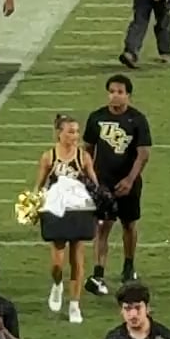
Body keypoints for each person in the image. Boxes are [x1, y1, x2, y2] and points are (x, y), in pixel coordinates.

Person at [84, 76, 152, 297]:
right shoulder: (96, 117)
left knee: (129, 225)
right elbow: (87, 150)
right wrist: (91, 180)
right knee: (102, 226)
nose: (115, 95)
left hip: (128, 182)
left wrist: (130, 180)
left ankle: (129, 266)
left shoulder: (137, 119)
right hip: (103, 182)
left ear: (128, 95)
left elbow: (143, 154)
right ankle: (98, 272)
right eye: (112, 91)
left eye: (120, 91)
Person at [35, 114, 97, 324]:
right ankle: (57, 285)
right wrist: (34, 206)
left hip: (78, 211)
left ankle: (74, 305)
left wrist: (97, 206)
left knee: (77, 261)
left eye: (77, 131)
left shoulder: (83, 158)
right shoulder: (49, 157)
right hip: (57, 211)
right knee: (57, 263)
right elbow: (40, 186)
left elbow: (95, 187)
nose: (75, 135)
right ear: (59, 133)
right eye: (70, 131)